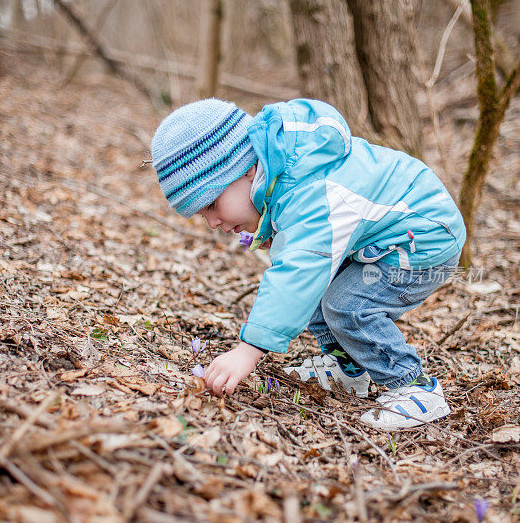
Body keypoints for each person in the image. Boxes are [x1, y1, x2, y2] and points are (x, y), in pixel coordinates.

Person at [151, 98, 465, 431]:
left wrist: (248, 350)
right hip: (387, 239)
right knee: (322, 291)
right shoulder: (287, 173)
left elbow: (299, 272)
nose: (212, 222)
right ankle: (347, 367)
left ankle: (415, 390)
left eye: (212, 204)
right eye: (203, 215)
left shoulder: (312, 189)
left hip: (425, 240)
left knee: (348, 305)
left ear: (244, 170)